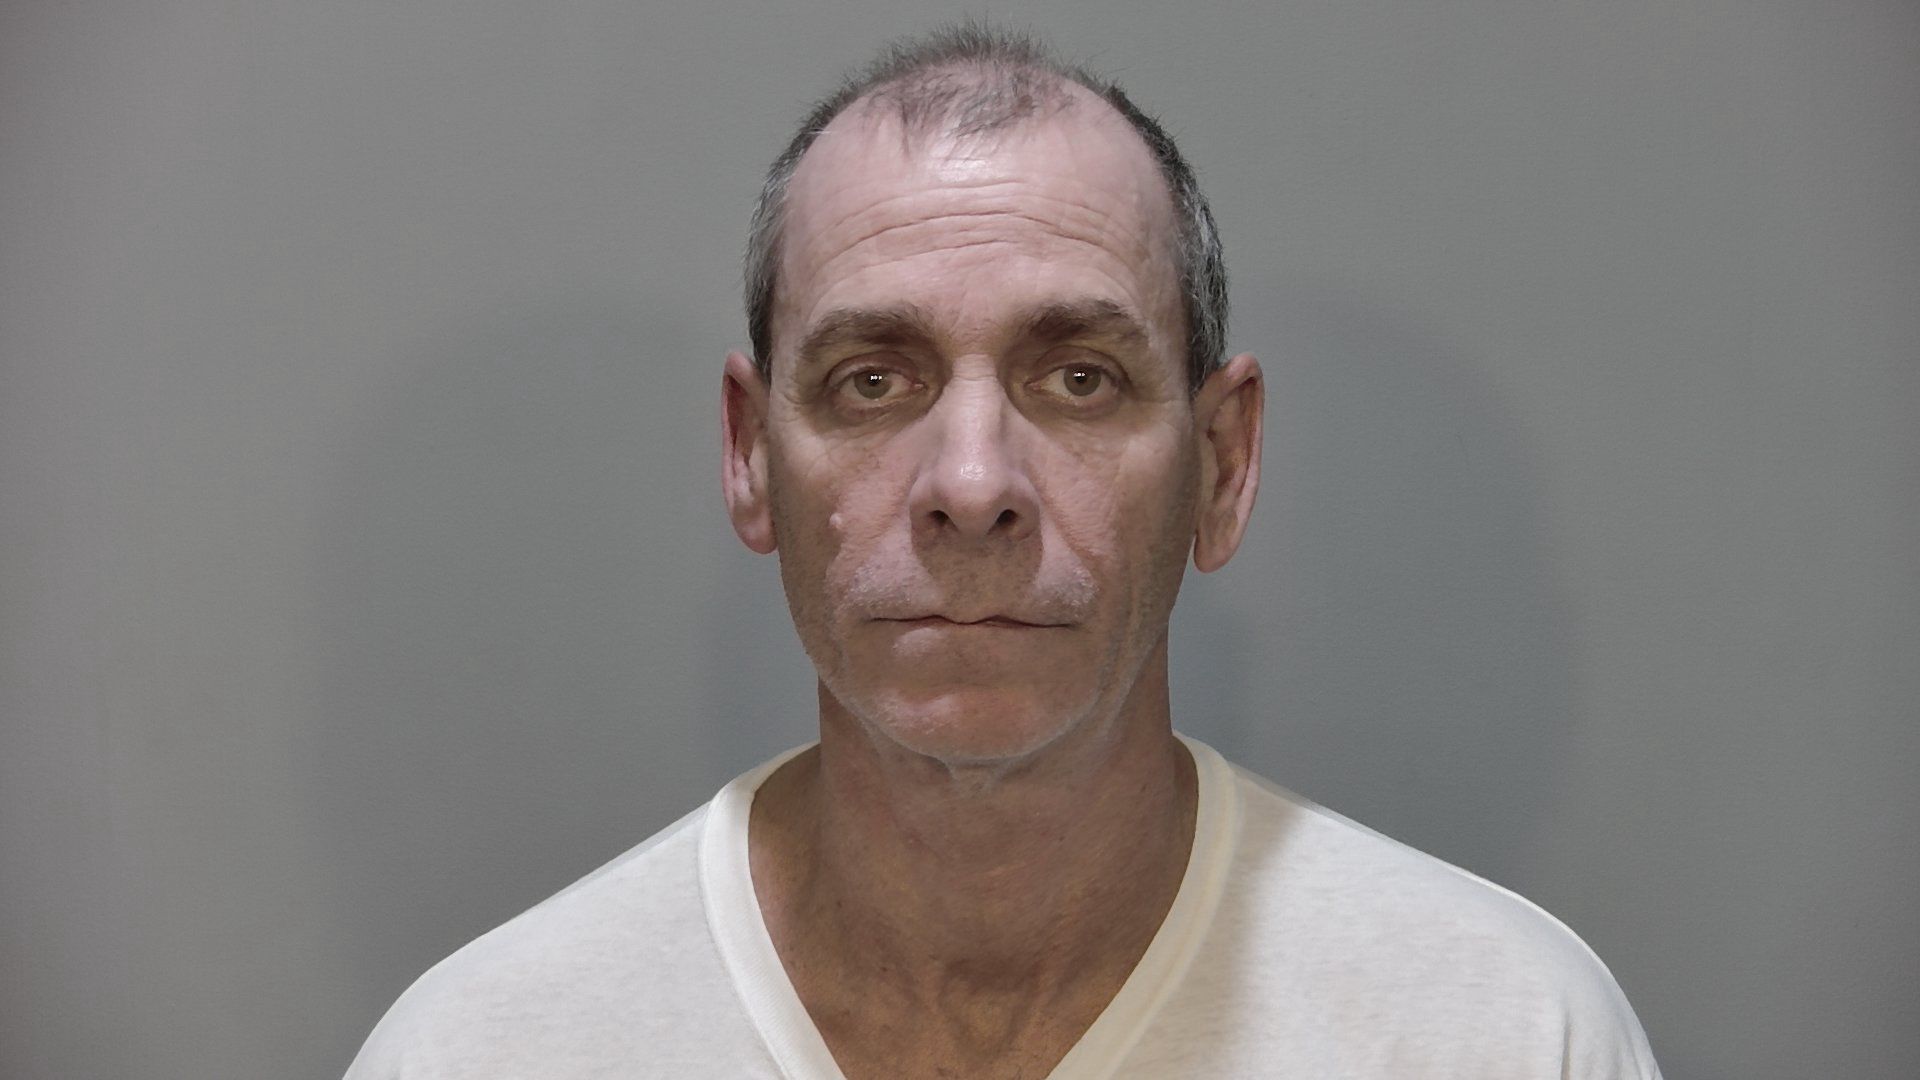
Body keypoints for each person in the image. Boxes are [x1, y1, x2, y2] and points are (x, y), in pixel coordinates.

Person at [346, 24, 1662, 1079]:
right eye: (872, 381)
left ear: (1221, 465)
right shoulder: (478, 1053)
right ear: (751, 458)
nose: (972, 486)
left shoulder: (1507, 1036)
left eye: (1080, 378)